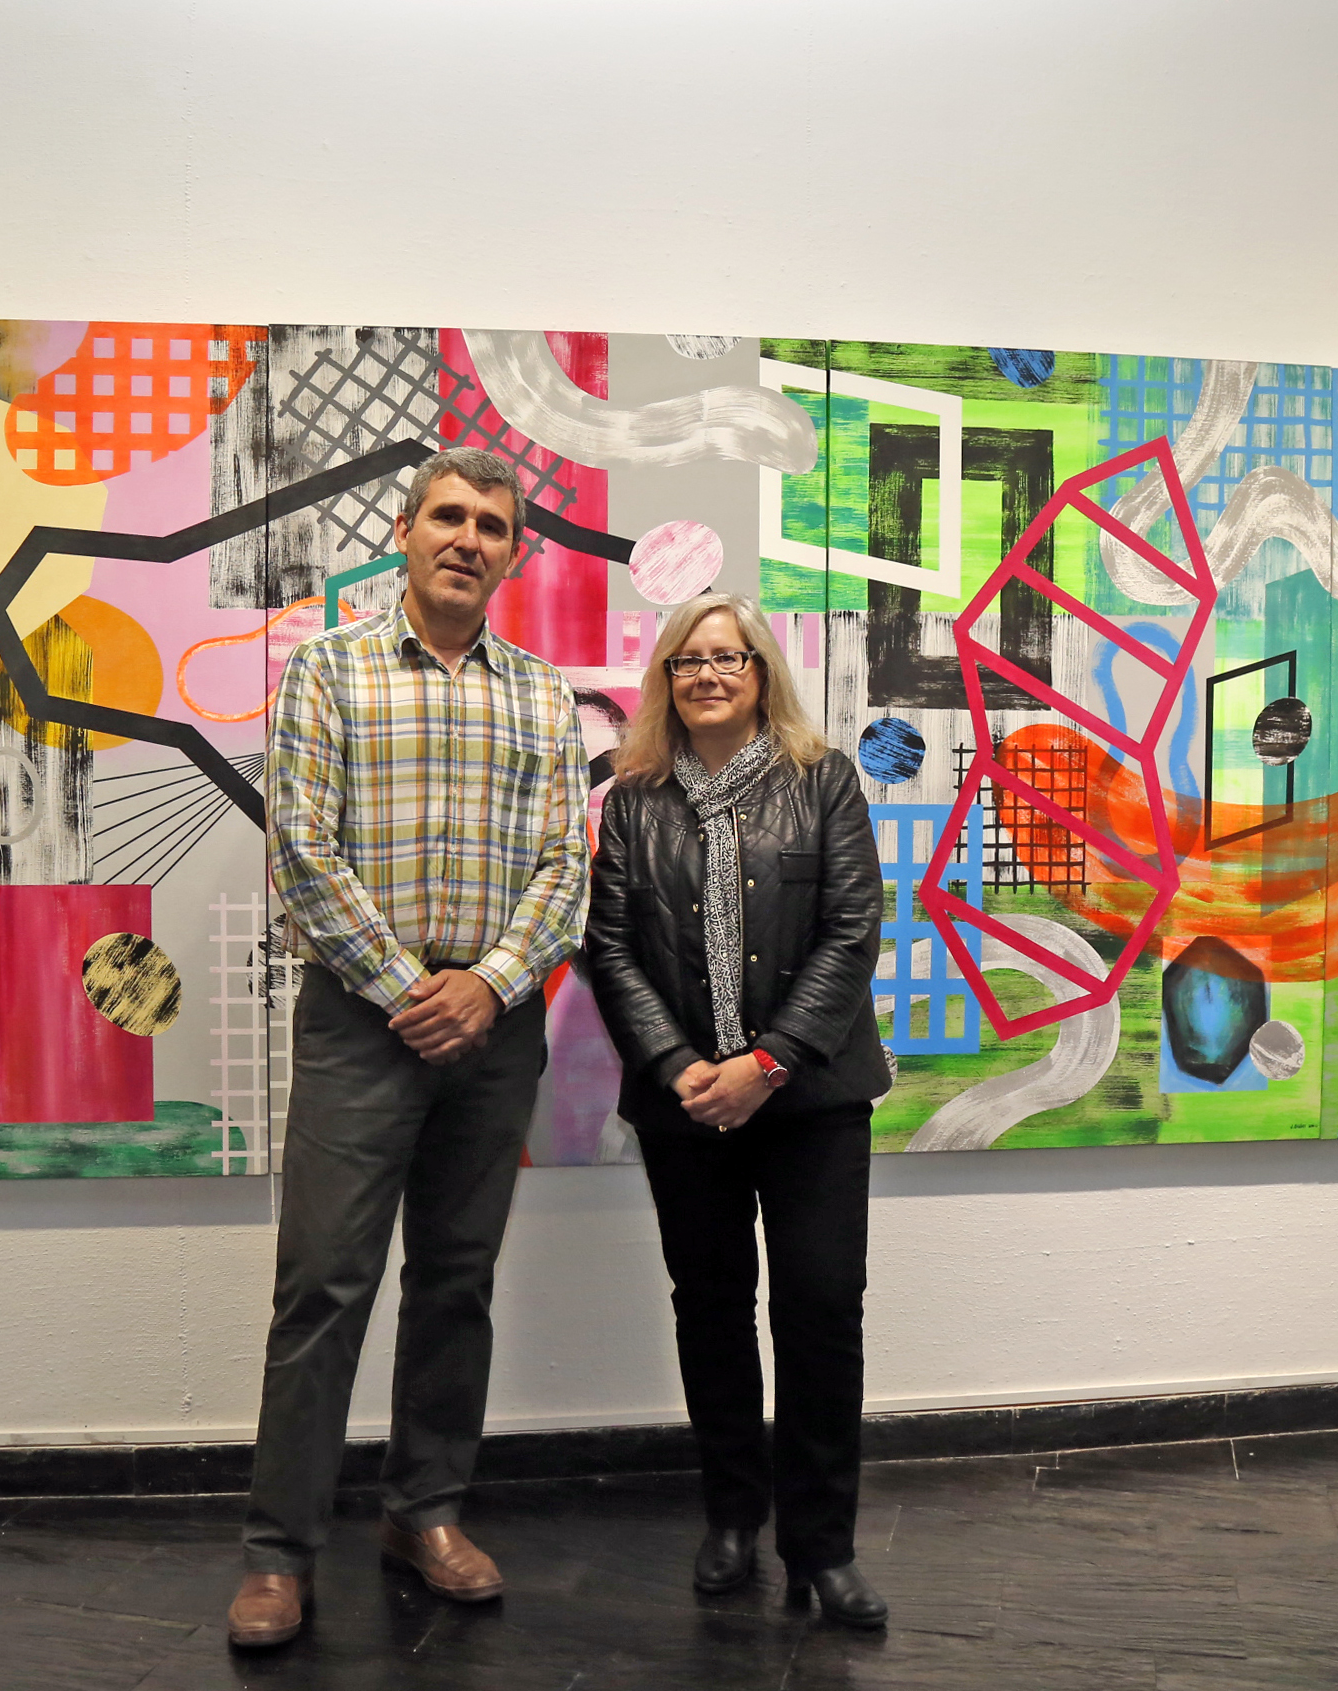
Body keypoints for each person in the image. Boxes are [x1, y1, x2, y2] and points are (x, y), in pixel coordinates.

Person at [227, 448, 590, 1649]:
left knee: (455, 1279)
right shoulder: (327, 670)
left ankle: (423, 1513)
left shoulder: (542, 694)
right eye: (449, 515)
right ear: (405, 529)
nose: (467, 538)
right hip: (360, 1022)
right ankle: (280, 1552)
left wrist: (487, 986)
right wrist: (408, 991)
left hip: (496, 1025)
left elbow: (565, 868)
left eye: (492, 524)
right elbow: (301, 853)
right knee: (323, 1285)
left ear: (513, 553)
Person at [583, 593, 891, 1628]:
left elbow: (852, 931)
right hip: (686, 1110)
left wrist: (768, 1062)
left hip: (812, 1101)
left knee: (819, 1313)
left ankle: (823, 1546)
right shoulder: (634, 800)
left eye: (729, 657)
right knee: (711, 1312)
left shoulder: (824, 778)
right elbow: (610, 947)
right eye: (688, 660)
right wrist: (678, 1066)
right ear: (665, 679)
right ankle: (730, 1519)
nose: (708, 675)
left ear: (762, 673)